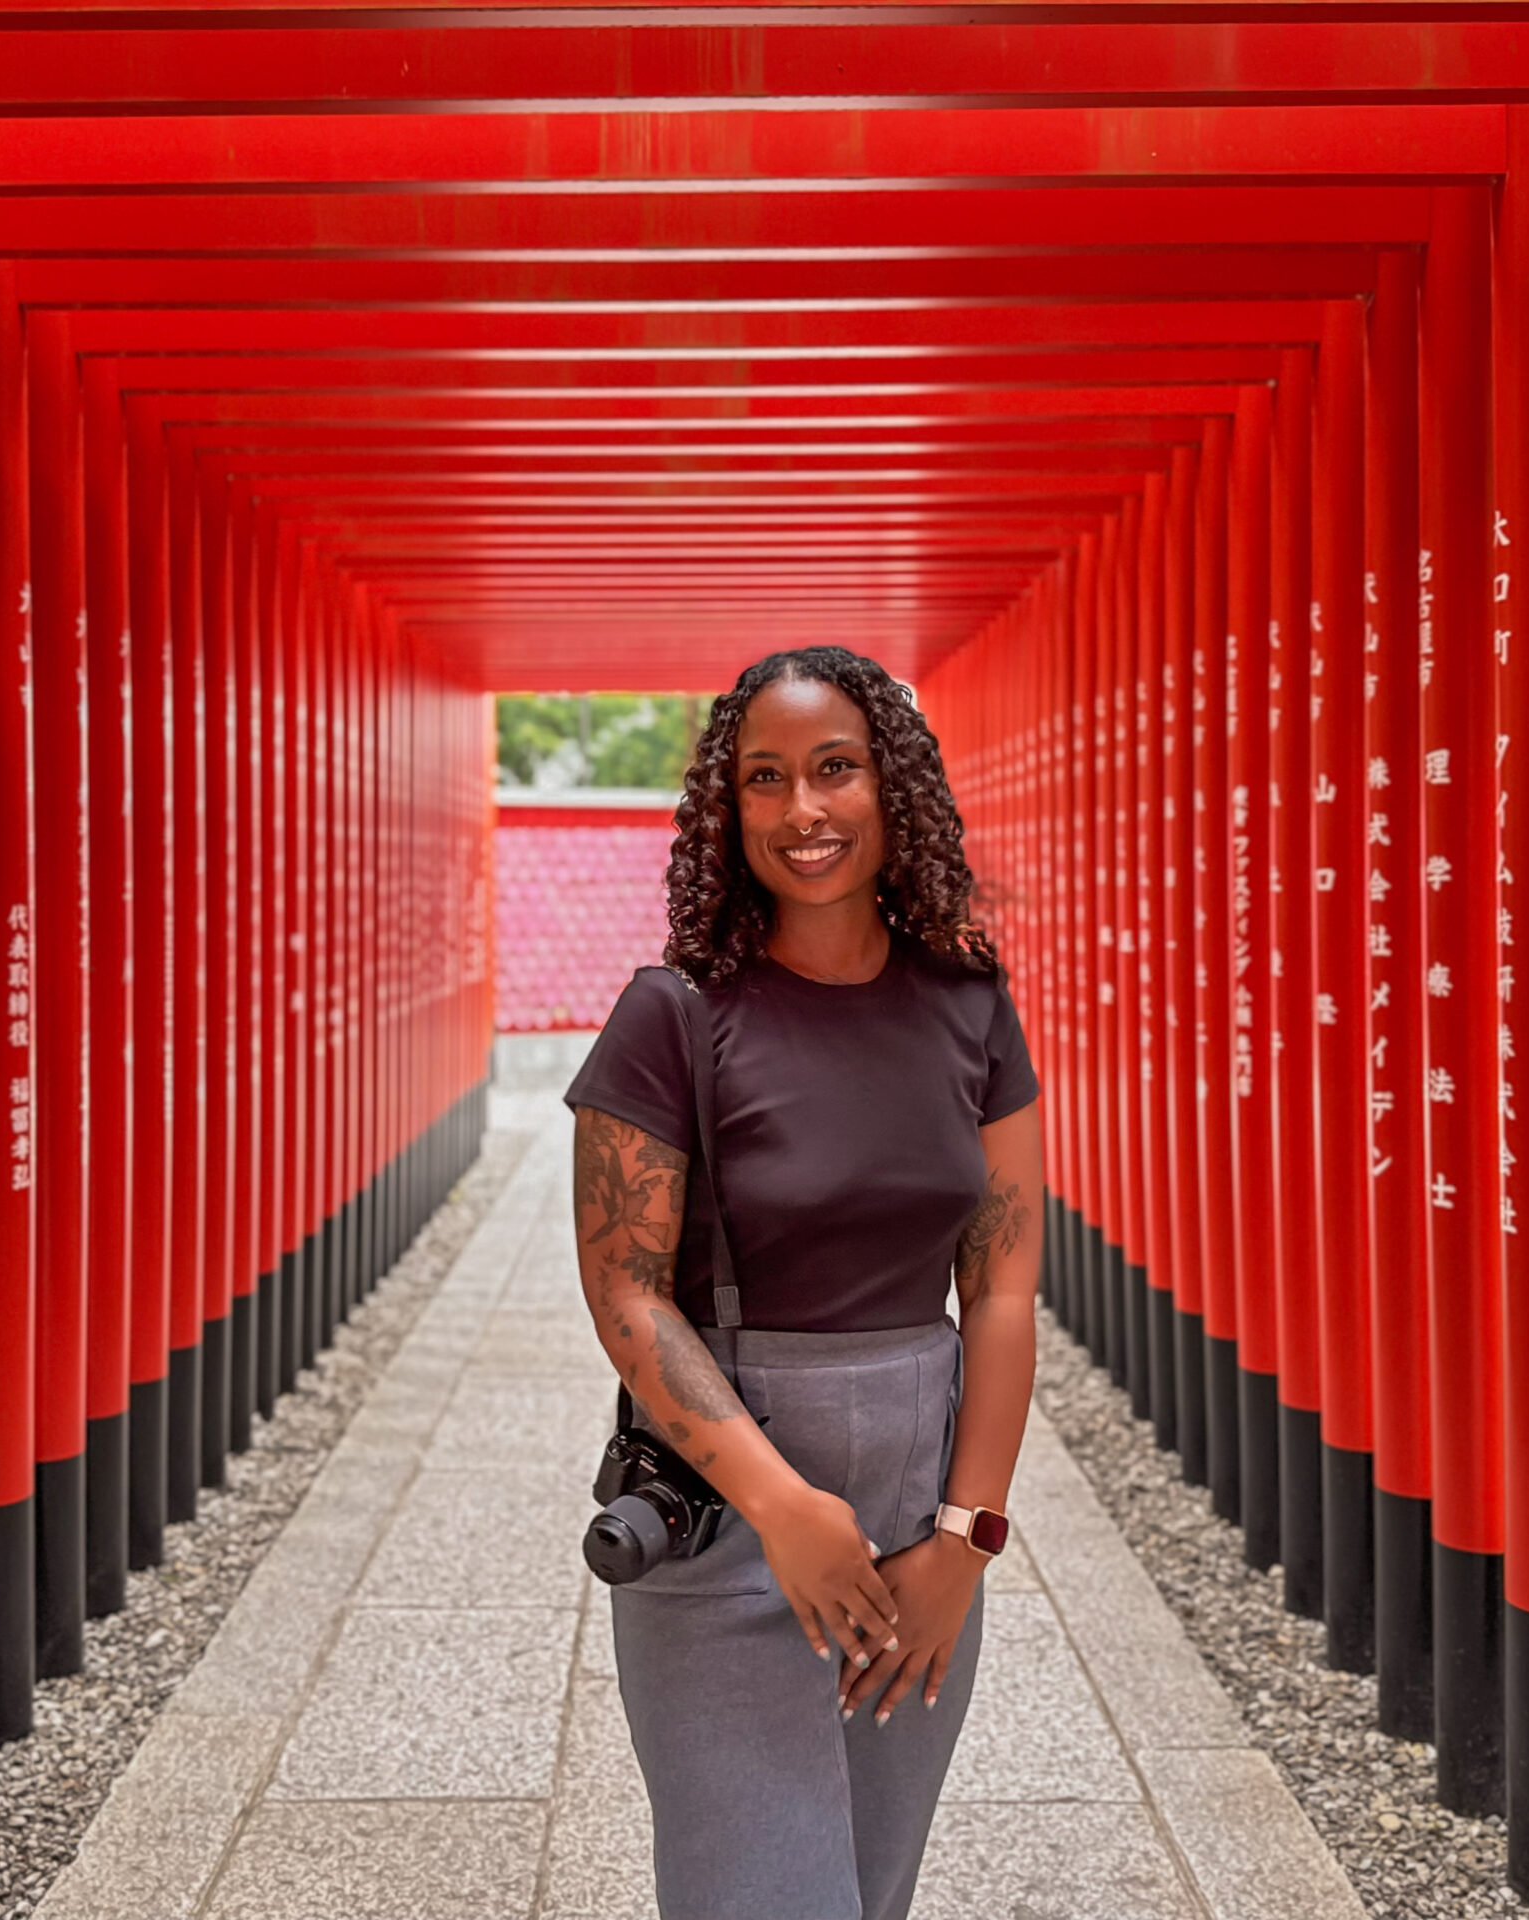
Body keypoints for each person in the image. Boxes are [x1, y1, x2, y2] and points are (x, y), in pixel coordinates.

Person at [564, 646, 1044, 1920]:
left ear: (895, 786)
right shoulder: (671, 1016)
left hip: (919, 1515)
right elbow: (625, 1294)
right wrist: (786, 1509)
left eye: (834, 769)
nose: (802, 812)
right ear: (728, 813)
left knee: (867, 1894)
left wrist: (965, 1540)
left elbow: (999, 1287)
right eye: (762, 780)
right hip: (734, 1508)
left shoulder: (968, 1001)